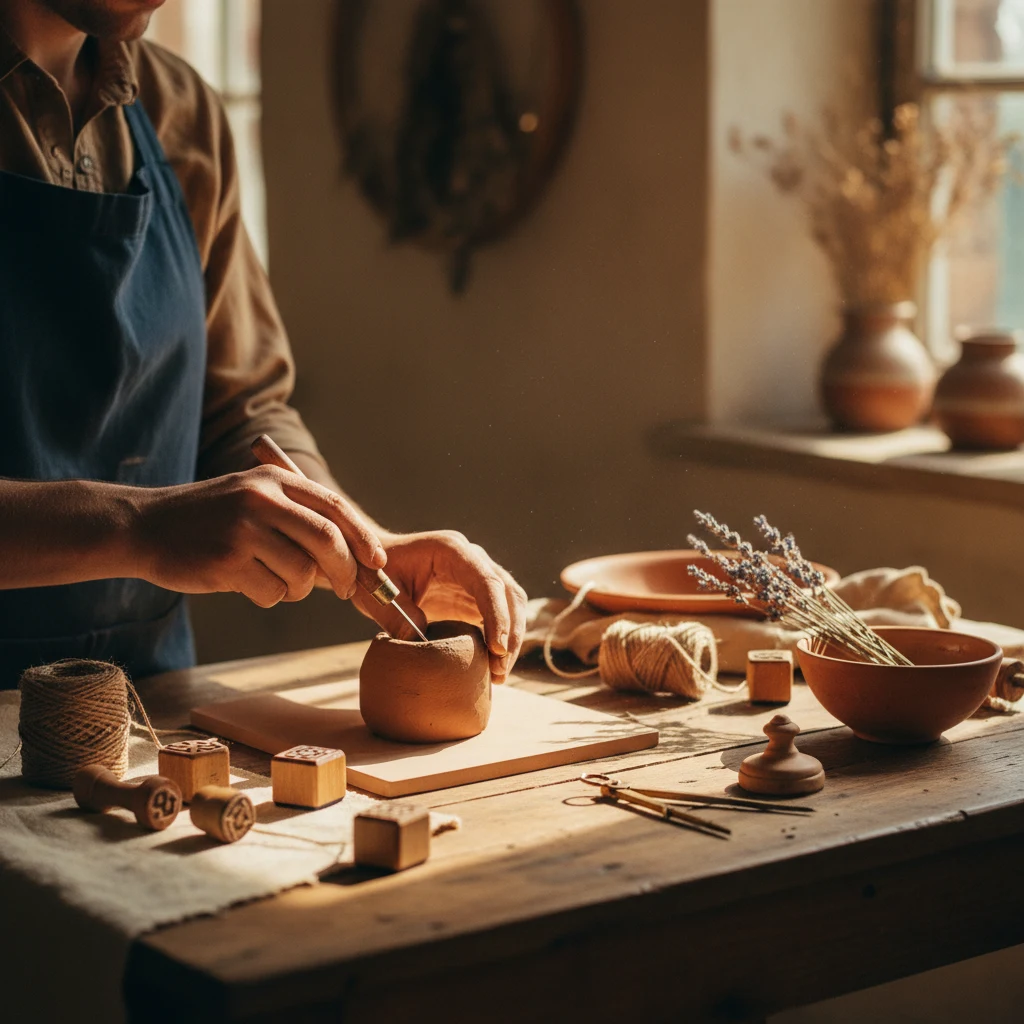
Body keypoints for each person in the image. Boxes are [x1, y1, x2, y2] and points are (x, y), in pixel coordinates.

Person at [0, 0, 526, 689]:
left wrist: (363, 544)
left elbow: (241, 408)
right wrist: (139, 529)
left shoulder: (182, 112)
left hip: (150, 708)